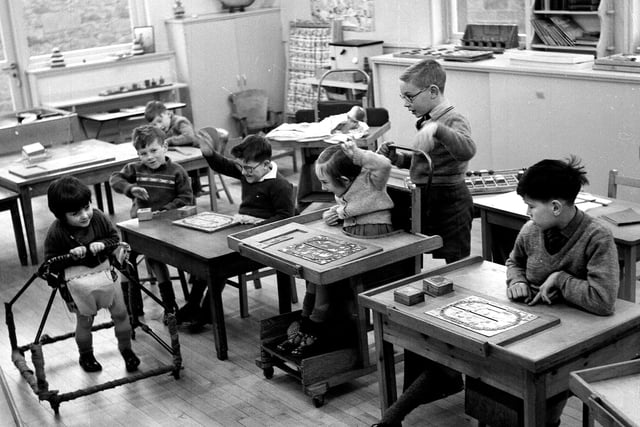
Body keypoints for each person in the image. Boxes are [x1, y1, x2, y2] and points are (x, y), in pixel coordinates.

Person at [374, 58, 476, 426]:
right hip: (427, 200)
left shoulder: (451, 119)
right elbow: (422, 160)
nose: (406, 104)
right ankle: (434, 371)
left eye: (409, 97)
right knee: (425, 278)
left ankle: (449, 365)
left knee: (453, 277)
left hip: (451, 204)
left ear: (433, 92)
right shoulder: (429, 121)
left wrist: (436, 130)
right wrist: (398, 156)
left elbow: (466, 149)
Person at [504, 156, 620, 425]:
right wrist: (516, 280)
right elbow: (514, 261)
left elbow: (603, 301)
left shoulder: (597, 237)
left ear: (555, 206)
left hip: (572, 344)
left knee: (537, 403)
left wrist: (560, 279)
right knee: (500, 386)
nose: (527, 214)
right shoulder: (531, 230)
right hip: (533, 332)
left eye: (531, 207)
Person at [277, 140, 395, 357]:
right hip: (354, 237)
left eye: (326, 183)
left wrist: (358, 154)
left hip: (373, 239)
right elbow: (348, 208)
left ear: (344, 179)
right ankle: (306, 322)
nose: (323, 188)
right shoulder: (349, 183)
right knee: (314, 279)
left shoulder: (371, 181)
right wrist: (336, 212)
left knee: (325, 280)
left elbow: (383, 165)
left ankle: (315, 328)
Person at [183, 133, 295, 330]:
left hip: (264, 239)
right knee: (205, 256)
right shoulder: (248, 171)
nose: (244, 173)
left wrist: (255, 227)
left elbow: (286, 217)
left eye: (248, 168)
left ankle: (208, 312)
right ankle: (193, 304)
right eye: (241, 167)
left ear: (266, 164)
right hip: (242, 230)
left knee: (217, 264)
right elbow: (224, 165)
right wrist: (209, 155)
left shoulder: (280, 185)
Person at [44, 176, 140, 373]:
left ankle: (127, 351)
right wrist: (69, 257)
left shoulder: (98, 217)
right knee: (85, 321)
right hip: (78, 284)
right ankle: (86, 355)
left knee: (121, 314)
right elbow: (49, 264)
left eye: (87, 207)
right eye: (75, 213)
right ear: (61, 216)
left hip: (106, 273)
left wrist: (103, 244)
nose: (85, 215)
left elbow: (115, 238)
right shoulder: (56, 231)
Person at [110, 125, 193, 322]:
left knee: (155, 258)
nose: (149, 157)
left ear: (165, 147)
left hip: (166, 227)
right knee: (124, 258)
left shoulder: (176, 171)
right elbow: (115, 178)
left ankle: (169, 304)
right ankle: (133, 307)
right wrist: (131, 189)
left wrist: (164, 211)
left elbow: (186, 198)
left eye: (154, 150)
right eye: (143, 153)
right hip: (139, 228)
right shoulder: (136, 169)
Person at [144, 100, 204, 196]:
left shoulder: (180, 121)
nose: (159, 126)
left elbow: (189, 136)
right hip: (178, 156)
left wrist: (169, 141)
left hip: (195, 158)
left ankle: (189, 192)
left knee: (176, 172)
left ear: (167, 114)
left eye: (160, 121)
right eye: (154, 124)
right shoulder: (163, 128)